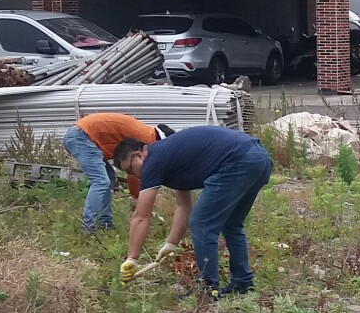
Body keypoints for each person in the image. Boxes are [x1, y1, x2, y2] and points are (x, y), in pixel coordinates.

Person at [116, 125, 273, 296]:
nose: (134, 176)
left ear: (139, 155)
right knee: (231, 223)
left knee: (202, 223)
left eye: (130, 170)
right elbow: (184, 206)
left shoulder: (154, 159)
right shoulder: (171, 156)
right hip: (258, 158)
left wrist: (132, 258)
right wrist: (171, 244)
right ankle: (242, 283)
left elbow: (140, 217)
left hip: (238, 159)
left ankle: (206, 287)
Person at [62, 112, 173, 233]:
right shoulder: (146, 140)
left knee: (107, 180)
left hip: (84, 136)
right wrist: (137, 197)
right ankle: (88, 228)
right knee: (100, 181)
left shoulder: (146, 134)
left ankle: (106, 224)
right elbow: (134, 172)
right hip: (82, 137)